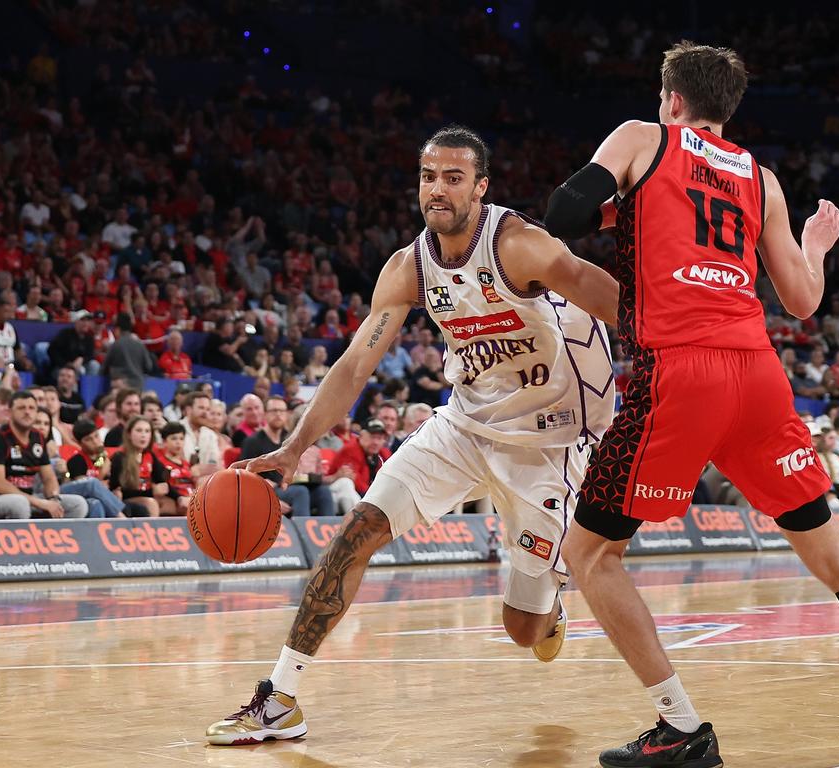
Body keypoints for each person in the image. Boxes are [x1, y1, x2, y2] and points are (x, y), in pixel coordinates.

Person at [543, 41, 839, 767]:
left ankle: (680, 727)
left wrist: (629, 210)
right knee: (834, 555)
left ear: (673, 99)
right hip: (759, 374)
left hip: (680, 373)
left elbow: (563, 212)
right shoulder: (761, 177)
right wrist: (815, 245)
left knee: (591, 552)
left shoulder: (641, 138)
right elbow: (804, 301)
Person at [208, 124, 617, 746]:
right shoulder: (409, 266)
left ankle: (548, 600)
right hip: (462, 424)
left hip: (547, 445)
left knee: (524, 632)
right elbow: (353, 366)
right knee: (359, 531)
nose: (438, 190)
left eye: (453, 178)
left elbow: (621, 303)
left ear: (480, 187)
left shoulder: (522, 246)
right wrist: (296, 447)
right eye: (429, 177)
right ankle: (280, 698)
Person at [0, 391, 88, 519]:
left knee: (78, 504)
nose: (27, 412)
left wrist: (54, 499)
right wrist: (39, 502)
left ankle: (55, 538)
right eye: (21, 408)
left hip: (28, 498)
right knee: (20, 503)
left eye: (31, 408)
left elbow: (48, 477)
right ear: (10, 412)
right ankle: (20, 539)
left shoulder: (38, 437)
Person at [109, 416, 171, 516]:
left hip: (147, 496)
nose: (143, 435)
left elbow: (160, 480)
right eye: (139, 431)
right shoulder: (119, 457)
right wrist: (153, 491)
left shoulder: (150, 456)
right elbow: (117, 490)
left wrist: (179, 497)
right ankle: (152, 531)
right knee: (151, 504)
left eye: (147, 431)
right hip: (125, 500)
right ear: (129, 434)